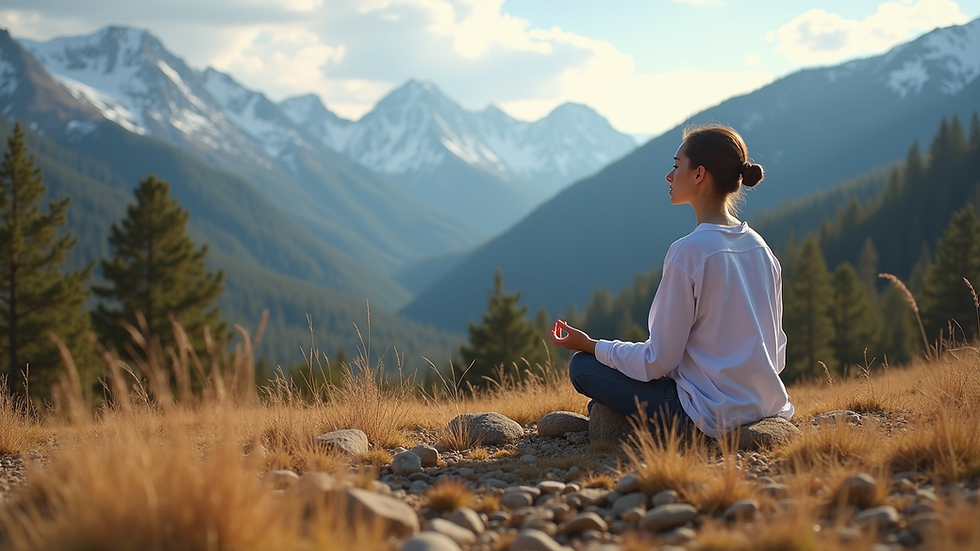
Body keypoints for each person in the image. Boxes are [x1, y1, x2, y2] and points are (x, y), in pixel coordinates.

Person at [550, 124, 794, 438]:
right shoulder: (761, 249)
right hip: (765, 406)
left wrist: (590, 345)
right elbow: (777, 354)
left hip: (703, 415)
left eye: (677, 166)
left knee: (582, 366)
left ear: (699, 174)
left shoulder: (688, 252)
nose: (669, 175)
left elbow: (658, 361)